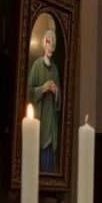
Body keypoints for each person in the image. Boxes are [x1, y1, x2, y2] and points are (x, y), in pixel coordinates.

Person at [27, 28, 61, 173]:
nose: (51, 47)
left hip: (51, 119)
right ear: (44, 43)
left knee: (49, 154)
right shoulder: (37, 65)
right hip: (40, 117)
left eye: (53, 44)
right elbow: (28, 91)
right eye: (48, 42)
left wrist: (56, 91)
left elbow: (60, 98)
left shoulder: (54, 69)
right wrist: (41, 89)